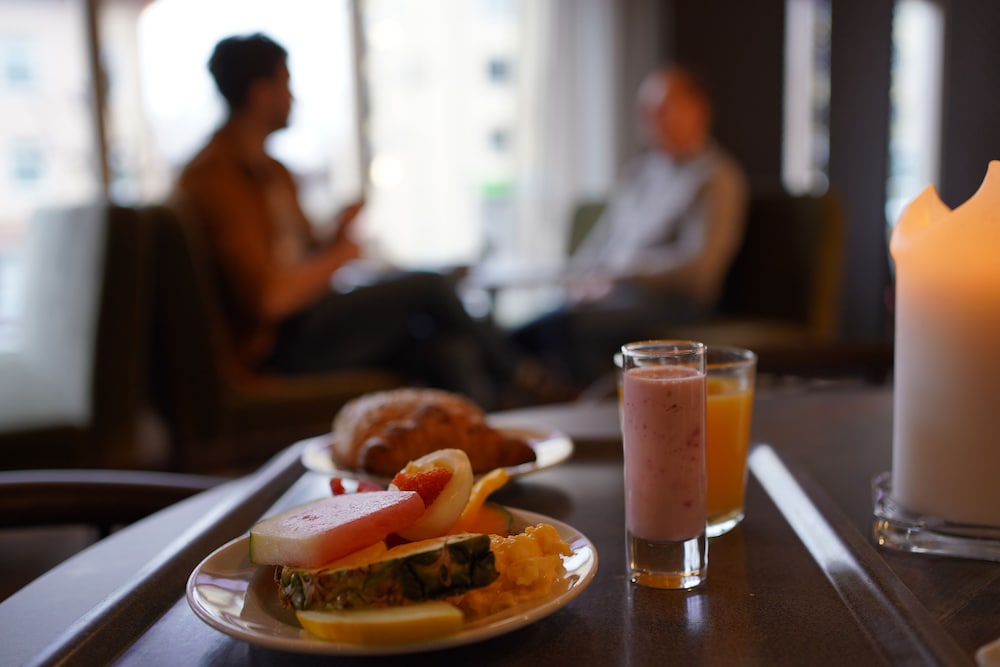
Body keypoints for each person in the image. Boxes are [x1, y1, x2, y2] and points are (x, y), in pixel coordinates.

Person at [171, 33, 560, 409]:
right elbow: (268, 299)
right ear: (260, 92)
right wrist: (340, 254)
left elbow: (297, 260)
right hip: (277, 345)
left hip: (312, 319)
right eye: (286, 84)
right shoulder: (213, 178)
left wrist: (334, 236)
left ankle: (481, 459)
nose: (294, 97)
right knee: (430, 285)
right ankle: (524, 377)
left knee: (450, 349)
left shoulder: (274, 171)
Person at [514, 64, 749, 386]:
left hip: (672, 302)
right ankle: (534, 390)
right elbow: (599, 243)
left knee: (566, 327)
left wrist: (619, 274)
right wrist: (581, 280)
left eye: (662, 109)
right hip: (613, 295)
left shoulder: (716, 178)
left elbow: (700, 272)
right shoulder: (639, 173)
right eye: (646, 111)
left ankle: (582, 411)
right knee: (523, 332)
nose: (650, 120)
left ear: (698, 111)